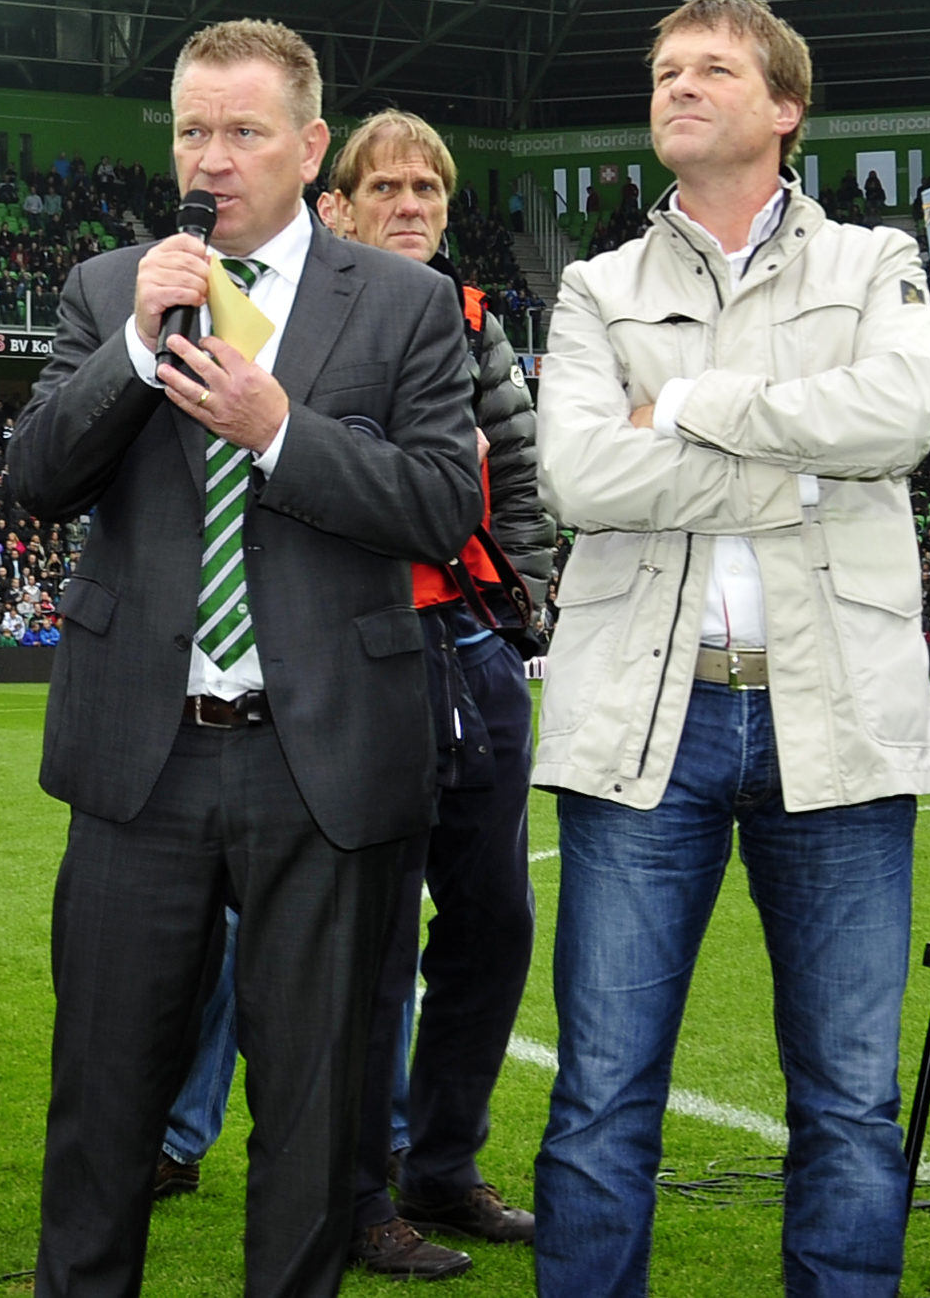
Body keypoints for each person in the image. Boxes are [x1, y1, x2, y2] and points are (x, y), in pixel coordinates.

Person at [10, 17, 479, 1298]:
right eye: (192, 132)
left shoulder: (404, 300)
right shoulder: (112, 288)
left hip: (320, 760)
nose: (211, 159)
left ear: (309, 143)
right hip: (138, 763)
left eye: (244, 132)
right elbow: (36, 478)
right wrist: (128, 350)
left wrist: (282, 433)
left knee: (317, 1114)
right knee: (101, 1104)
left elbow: (443, 503)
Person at [532, 0, 930, 1298]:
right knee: (601, 1095)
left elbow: (898, 417)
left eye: (714, 67)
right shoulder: (598, 286)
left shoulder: (874, 262)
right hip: (643, 726)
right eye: (664, 69)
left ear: (785, 108)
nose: (680, 85)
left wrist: (696, 408)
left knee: (849, 1100)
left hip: (839, 722)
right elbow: (582, 478)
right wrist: (794, 466)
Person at [333, 110, 553, 1278]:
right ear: (338, 207)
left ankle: (442, 1165)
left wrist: (525, 607)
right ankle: (357, 1190)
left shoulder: (474, 325)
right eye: (385, 187)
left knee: (492, 924)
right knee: (366, 940)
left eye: (427, 188)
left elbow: (517, 479)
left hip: (470, 650)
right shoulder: (304, 323)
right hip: (360, 652)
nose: (410, 204)